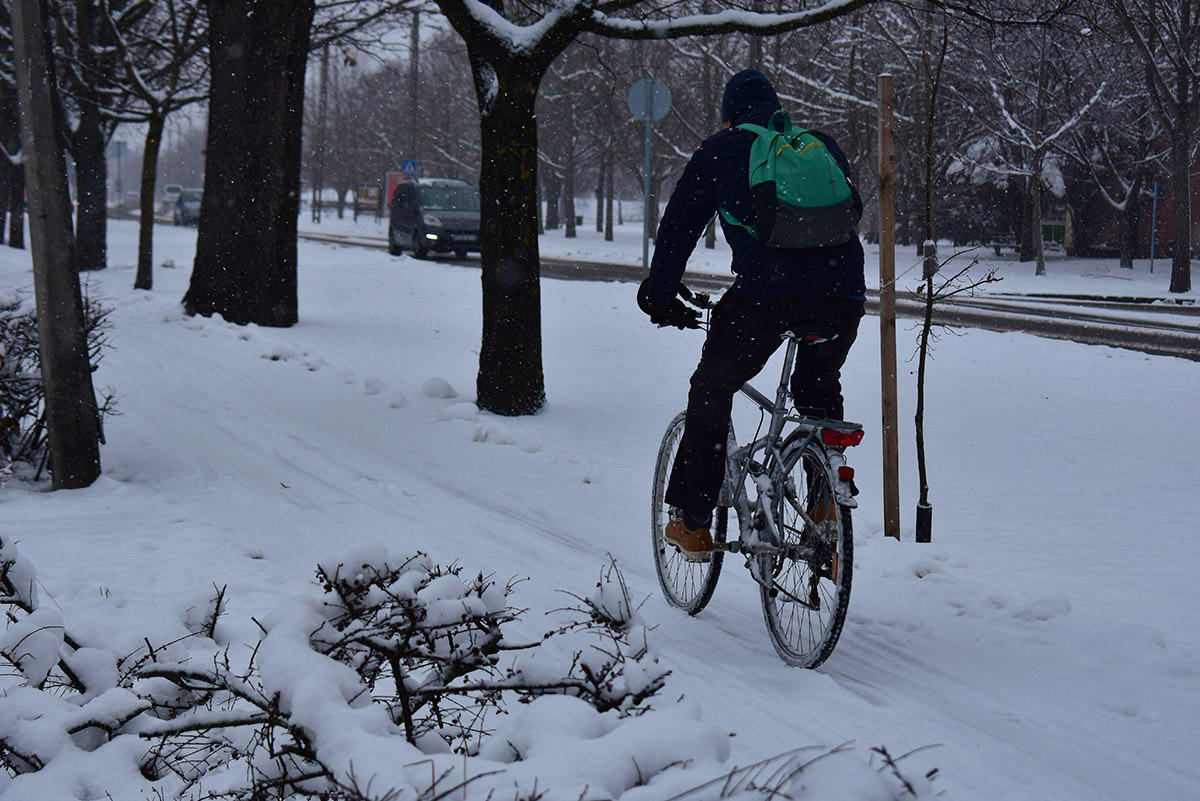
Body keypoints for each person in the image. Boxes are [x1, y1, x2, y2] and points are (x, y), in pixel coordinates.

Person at [637, 68, 866, 563]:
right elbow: (852, 212)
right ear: (777, 110)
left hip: (766, 297)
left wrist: (659, 294)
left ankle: (693, 522)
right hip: (842, 293)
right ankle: (825, 503)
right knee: (818, 390)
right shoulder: (818, 145)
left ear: (728, 117)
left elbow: (678, 228)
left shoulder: (722, 150)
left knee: (712, 388)